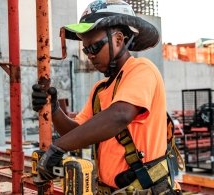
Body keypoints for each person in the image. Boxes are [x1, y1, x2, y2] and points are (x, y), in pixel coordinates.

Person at [32, 0, 181, 194]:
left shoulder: (142, 70)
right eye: (86, 50)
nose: (90, 56)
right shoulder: (100, 90)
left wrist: (57, 148)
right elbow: (77, 133)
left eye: (94, 47)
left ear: (118, 40)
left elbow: (120, 115)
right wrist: (55, 111)